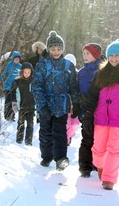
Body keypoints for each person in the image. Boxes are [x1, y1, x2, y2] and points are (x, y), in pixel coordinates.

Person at [82, 39, 119, 190]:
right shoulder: (100, 74)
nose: (114, 58)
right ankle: (101, 167)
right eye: (111, 55)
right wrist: (89, 115)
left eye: (117, 55)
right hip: (100, 119)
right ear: (107, 56)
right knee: (98, 148)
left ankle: (109, 179)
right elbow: (91, 96)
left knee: (114, 149)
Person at [32, 31, 80, 171]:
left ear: (62, 49)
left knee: (60, 133)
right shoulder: (42, 65)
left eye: (59, 49)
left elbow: (73, 86)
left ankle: (60, 159)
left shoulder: (68, 66)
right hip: (46, 105)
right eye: (53, 49)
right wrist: (42, 106)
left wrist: (76, 102)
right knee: (46, 132)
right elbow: (36, 87)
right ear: (48, 49)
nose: (56, 51)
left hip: (62, 105)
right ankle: (46, 157)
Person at [77, 43, 102, 178]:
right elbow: (78, 91)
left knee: (98, 139)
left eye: (88, 54)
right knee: (86, 138)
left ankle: (96, 164)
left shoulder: (102, 70)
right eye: (84, 54)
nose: (85, 56)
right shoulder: (81, 72)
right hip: (85, 110)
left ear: (95, 55)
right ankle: (84, 167)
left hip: (99, 111)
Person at [10, 62, 35, 145]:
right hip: (21, 107)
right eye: (25, 72)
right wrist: (14, 103)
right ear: (22, 72)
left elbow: (38, 93)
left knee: (30, 124)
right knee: (21, 124)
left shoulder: (34, 81)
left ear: (31, 72)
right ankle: (19, 140)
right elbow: (12, 92)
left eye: (28, 72)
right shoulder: (17, 81)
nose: (27, 74)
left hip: (31, 107)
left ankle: (28, 141)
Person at [0, 51, 22, 121]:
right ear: (13, 58)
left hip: (16, 88)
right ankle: (6, 115)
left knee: (14, 102)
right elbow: (4, 74)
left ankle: (12, 116)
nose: (17, 60)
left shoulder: (20, 66)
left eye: (18, 59)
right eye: (15, 58)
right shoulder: (8, 65)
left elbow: (21, 76)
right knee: (8, 102)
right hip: (8, 87)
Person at [64, 54, 80, 146]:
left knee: (74, 124)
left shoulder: (78, 75)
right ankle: (65, 140)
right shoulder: (61, 74)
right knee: (67, 123)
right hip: (64, 103)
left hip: (75, 103)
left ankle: (68, 136)